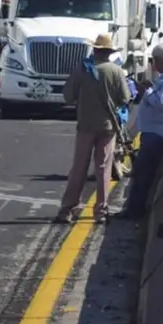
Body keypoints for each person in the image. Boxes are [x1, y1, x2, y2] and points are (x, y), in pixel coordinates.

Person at [55, 33, 131, 224]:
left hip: (85, 125)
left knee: (79, 168)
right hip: (108, 127)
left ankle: (67, 209)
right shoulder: (116, 71)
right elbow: (125, 98)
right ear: (110, 52)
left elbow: (68, 96)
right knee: (103, 169)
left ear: (95, 50)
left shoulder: (82, 69)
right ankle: (101, 212)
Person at [114, 45, 163, 221]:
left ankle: (135, 211)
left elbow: (162, 103)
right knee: (143, 172)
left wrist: (146, 91)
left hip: (158, 133)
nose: (154, 64)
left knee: (143, 173)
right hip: (155, 130)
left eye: (156, 60)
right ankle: (137, 209)